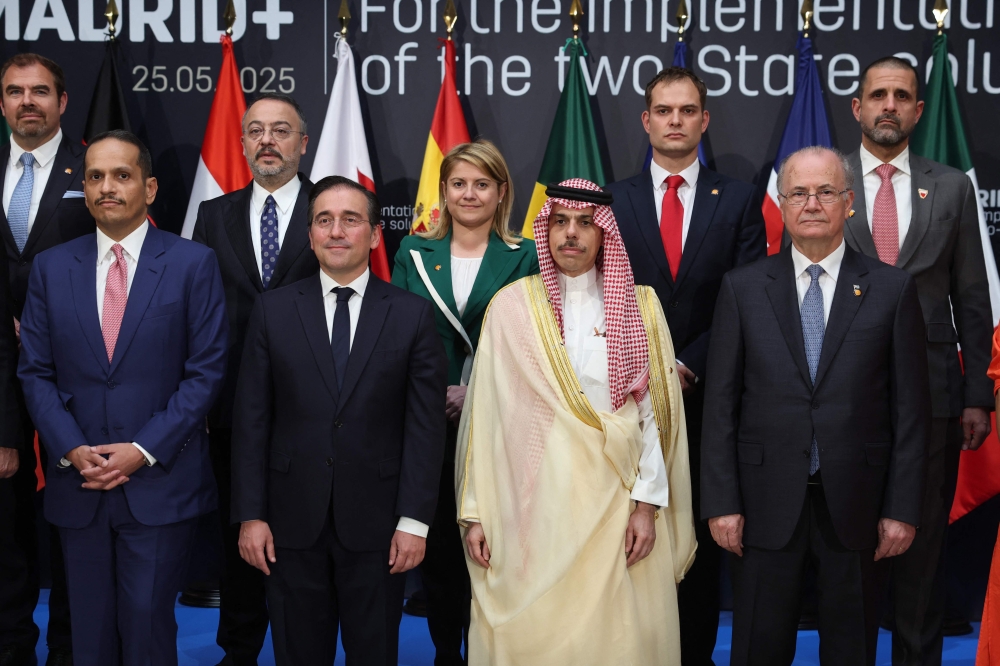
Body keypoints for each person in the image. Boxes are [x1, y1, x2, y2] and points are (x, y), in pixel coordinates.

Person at [701, 146, 930, 665]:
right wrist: (721, 502)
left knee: (851, 651)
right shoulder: (742, 288)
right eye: (798, 193)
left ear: (849, 202)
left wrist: (901, 509)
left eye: (825, 191)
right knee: (758, 650)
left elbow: (911, 414)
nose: (811, 203)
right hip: (761, 506)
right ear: (781, 204)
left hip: (858, 506)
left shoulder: (892, 289)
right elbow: (720, 408)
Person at [456, 178, 696, 665]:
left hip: (617, 505)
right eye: (560, 221)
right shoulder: (511, 307)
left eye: (585, 223)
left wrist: (647, 507)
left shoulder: (642, 307)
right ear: (544, 230)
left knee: (616, 639)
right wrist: (477, 511)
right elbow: (488, 419)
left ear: (604, 233)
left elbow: (654, 417)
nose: (571, 233)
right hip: (532, 509)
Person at [17, 130, 228, 666]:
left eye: (121, 175)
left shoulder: (193, 263)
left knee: (146, 630)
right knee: (86, 637)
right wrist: (70, 447)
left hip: (158, 482)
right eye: (95, 176)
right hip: (79, 480)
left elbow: (205, 373)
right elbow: (35, 371)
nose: (107, 187)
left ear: (149, 188)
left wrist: (143, 449)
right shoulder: (51, 267)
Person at [231, 176, 448, 666]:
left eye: (350, 220)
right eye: (324, 220)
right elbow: (251, 422)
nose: (336, 231)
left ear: (374, 235)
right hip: (288, 524)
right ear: (309, 235)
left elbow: (425, 430)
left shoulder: (412, 316)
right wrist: (251, 515)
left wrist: (414, 522)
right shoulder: (272, 311)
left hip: (380, 527)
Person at [606, 66, 766, 664]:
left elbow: (748, 298)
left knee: (695, 541)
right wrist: (643, 365)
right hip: (626, 398)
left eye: (687, 110)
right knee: (626, 535)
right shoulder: (612, 199)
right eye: (664, 111)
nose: (676, 120)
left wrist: (686, 365)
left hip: (709, 398)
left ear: (704, 120)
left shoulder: (741, 200)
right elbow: (600, 294)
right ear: (646, 121)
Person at [844, 56, 994, 666]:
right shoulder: (824, 179)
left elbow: (972, 296)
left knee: (923, 553)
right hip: (843, 397)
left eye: (901, 96)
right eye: (878, 94)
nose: (889, 105)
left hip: (932, 396)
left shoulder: (952, 186)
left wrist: (977, 393)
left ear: (918, 110)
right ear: (857, 107)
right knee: (850, 556)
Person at [391, 139, 538, 665]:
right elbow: (396, 337)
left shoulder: (526, 254)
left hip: (501, 422)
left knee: (495, 543)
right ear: (444, 191)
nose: (469, 194)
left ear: (501, 192)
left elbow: (536, 342)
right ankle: (446, 652)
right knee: (441, 550)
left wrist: (476, 392)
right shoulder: (413, 251)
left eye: (481, 184)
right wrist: (438, 392)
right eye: (458, 184)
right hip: (429, 421)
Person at [191, 92, 318, 666]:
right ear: (242, 143)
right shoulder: (212, 215)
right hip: (230, 405)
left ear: (302, 143)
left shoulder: (330, 209)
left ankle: (302, 649)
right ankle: (238, 650)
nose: (268, 140)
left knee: (304, 539)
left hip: (314, 404)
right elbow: (194, 310)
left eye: (281, 130)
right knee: (238, 533)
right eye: (256, 130)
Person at [0, 52, 93, 666]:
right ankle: (12, 646)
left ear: (61, 102)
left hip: (76, 375)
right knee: (5, 524)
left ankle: (69, 647)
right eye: (15, 92)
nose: (27, 102)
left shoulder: (95, 169)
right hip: (0, 381)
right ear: (2, 103)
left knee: (74, 519)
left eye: (40, 91)